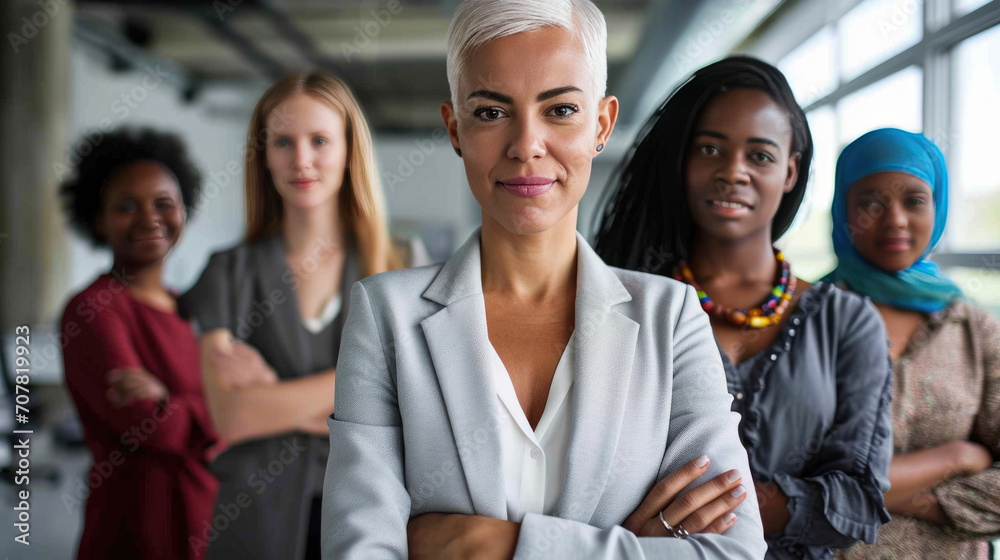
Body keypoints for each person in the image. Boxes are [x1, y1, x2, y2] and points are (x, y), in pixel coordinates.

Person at [322, 1, 766, 558]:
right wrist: (627, 547)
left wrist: (495, 544)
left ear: (601, 125)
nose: (526, 144)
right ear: (455, 128)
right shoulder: (385, 315)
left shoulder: (670, 318)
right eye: (490, 112)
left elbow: (734, 552)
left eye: (559, 110)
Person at [594, 56, 894, 560]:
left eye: (759, 155)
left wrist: (711, 510)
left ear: (790, 171)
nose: (733, 171)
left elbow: (859, 501)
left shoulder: (847, 323)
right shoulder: (626, 307)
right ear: (682, 162)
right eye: (710, 149)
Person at [180, 72, 398, 559]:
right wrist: (361, 395)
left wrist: (271, 394)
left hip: (372, 519)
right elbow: (231, 416)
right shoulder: (227, 272)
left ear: (348, 149)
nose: (301, 160)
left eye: (319, 140)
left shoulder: (401, 264)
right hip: (253, 522)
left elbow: (411, 409)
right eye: (282, 141)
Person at [824, 128, 1000, 560]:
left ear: (937, 207)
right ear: (842, 209)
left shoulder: (972, 326)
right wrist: (954, 458)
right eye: (870, 202)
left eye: (914, 201)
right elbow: (775, 474)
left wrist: (848, 498)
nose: (896, 219)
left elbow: (802, 494)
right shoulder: (806, 317)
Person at [59, 128, 218, 560]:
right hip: (137, 530)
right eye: (127, 206)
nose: (150, 218)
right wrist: (222, 409)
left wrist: (178, 402)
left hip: (210, 520)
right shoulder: (93, 309)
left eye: (164, 204)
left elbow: (247, 405)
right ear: (98, 219)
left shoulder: (191, 307)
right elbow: (153, 426)